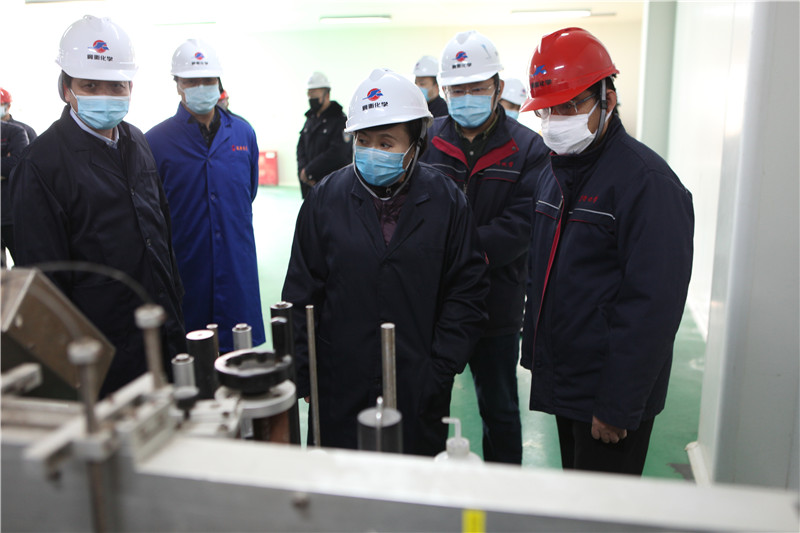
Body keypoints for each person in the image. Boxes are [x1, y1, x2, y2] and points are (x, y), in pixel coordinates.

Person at [282, 68, 489, 456]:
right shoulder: (325, 200)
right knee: (340, 479)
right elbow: (300, 293)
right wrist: (305, 372)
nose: (372, 151)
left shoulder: (447, 202)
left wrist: (440, 369)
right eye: (363, 140)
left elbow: (467, 292)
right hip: (340, 382)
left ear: (416, 145)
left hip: (418, 383)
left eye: (386, 142)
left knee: (411, 481)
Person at [520, 27, 694, 475]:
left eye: (569, 106)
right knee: (579, 496)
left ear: (608, 100)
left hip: (607, 392)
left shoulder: (647, 184)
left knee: (606, 506)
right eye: (547, 109)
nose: (555, 120)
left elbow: (652, 307)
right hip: (565, 379)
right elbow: (541, 270)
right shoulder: (553, 174)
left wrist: (618, 403)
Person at [10, 15, 186, 397]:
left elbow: (161, 234)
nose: (105, 94)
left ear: (130, 87)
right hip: (103, 360)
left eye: (116, 85)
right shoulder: (41, 165)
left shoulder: (137, 142)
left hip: (164, 334)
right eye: (90, 85)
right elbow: (45, 287)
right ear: (66, 89)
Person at [420, 30, 549, 465]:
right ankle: (427, 490)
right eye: (457, 90)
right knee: (428, 402)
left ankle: (503, 492)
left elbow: (522, 225)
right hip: (435, 303)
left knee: (500, 409)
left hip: (497, 303)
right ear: (444, 91)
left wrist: (455, 252)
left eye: (476, 88)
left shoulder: (528, 148)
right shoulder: (427, 140)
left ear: (497, 86)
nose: (466, 98)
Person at [146, 39, 265, 353]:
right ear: (177, 85)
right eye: (191, 81)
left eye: (208, 80)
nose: (201, 87)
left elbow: (248, 192)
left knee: (239, 356)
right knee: (191, 358)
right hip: (187, 265)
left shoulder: (243, 133)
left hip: (236, 264)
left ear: (219, 83)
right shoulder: (155, 142)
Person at [296, 71, 351, 199]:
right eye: (309, 94)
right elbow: (301, 147)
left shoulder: (340, 120)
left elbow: (338, 153)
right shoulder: (310, 119)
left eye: (314, 93)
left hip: (333, 187)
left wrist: (310, 171)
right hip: (309, 186)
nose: (311, 98)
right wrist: (303, 172)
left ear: (327, 94)